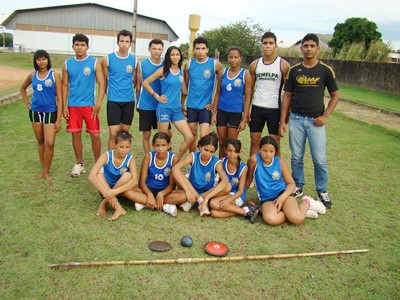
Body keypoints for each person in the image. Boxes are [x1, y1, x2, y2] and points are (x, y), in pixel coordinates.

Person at [279, 33, 340, 209]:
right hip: (296, 119)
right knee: (296, 157)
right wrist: (283, 121)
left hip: (316, 122)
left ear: (317, 48)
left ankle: (322, 190)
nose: (308, 49)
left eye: (312, 46)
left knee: (319, 159)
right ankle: (298, 185)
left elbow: (335, 95)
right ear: (301, 48)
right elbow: (287, 96)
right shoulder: (295, 70)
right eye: (305, 46)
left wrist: (326, 115)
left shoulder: (325, 70)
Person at [246, 136, 326, 226]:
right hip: (267, 199)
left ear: (275, 152)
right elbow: (248, 179)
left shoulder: (279, 162)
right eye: (265, 150)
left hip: (283, 194)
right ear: (259, 149)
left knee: (297, 219)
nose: (268, 154)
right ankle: (295, 212)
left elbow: (291, 183)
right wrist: (240, 197)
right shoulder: (254, 160)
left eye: (271, 151)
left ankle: (307, 202)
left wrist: (283, 197)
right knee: (270, 219)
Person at [62, 33, 105, 177]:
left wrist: (98, 103)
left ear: (87, 47)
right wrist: (63, 106)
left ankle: (98, 165)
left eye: (82, 45)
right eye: (77, 45)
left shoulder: (94, 63)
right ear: (73, 46)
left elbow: (102, 83)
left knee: (95, 135)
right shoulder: (67, 63)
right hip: (73, 106)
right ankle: (79, 164)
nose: (79, 48)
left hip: (89, 106)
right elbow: (65, 85)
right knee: (76, 135)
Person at [142, 46, 194, 159]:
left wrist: (182, 104)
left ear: (180, 57)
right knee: (162, 141)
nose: (175, 57)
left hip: (176, 110)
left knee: (189, 137)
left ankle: (175, 159)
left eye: (177, 54)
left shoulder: (180, 71)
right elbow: (145, 83)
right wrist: (157, 96)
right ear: (168, 56)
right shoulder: (164, 70)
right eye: (172, 55)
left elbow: (184, 91)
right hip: (164, 108)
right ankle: (159, 164)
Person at [20, 50, 62, 181]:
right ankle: (42, 170)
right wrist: (27, 103)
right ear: (35, 61)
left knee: (49, 143)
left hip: (50, 112)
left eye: (44, 59)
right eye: (38, 59)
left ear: (48, 60)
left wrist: (59, 119)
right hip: (35, 112)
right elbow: (22, 89)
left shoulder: (54, 75)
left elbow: (60, 99)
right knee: (40, 141)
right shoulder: (33, 75)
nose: (41, 62)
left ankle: (47, 172)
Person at [247, 32, 290, 156]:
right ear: (261, 45)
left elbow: (288, 93)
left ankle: (275, 173)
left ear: (276, 45)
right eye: (265, 43)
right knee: (254, 140)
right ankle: (253, 172)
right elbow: (250, 90)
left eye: (271, 43)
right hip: (257, 107)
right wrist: (247, 111)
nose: (267, 46)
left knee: (275, 142)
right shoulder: (254, 65)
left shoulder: (284, 65)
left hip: (275, 109)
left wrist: (286, 114)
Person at [169, 132, 231, 216]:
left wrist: (207, 197)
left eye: (211, 152)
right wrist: (188, 191)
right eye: (206, 150)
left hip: (207, 192)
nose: (208, 154)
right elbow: (175, 168)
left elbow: (225, 180)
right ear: (200, 147)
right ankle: (200, 201)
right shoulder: (193, 156)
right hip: (191, 188)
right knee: (177, 172)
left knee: (227, 186)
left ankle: (196, 200)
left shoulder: (216, 161)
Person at [122, 132, 180, 217]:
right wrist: (149, 194)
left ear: (168, 145)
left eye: (163, 145)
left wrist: (161, 194)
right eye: (157, 145)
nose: (160, 148)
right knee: (127, 192)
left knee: (184, 195)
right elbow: (141, 182)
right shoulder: (149, 156)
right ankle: (164, 205)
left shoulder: (173, 158)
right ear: (153, 145)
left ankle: (146, 203)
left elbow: (172, 185)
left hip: (165, 192)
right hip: (148, 189)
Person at [183, 37, 224, 152]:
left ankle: (204, 162)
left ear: (207, 50)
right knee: (191, 136)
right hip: (191, 106)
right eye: (197, 48)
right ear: (194, 50)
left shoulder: (215, 64)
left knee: (204, 136)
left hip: (205, 107)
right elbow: (185, 87)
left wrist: (214, 106)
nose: (200, 51)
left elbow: (221, 88)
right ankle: (193, 162)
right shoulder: (188, 65)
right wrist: (182, 104)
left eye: (203, 48)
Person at [88, 130, 138, 221]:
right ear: (115, 145)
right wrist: (107, 192)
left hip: (120, 191)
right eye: (121, 147)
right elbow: (91, 176)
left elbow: (135, 181)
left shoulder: (130, 158)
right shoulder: (107, 155)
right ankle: (119, 208)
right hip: (104, 190)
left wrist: (115, 192)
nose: (124, 150)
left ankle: (104, 202)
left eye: (127, 147)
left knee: (128, 175)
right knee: (98, 175)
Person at [212, 46, 252, 158]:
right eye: (231, 57)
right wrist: (213, 114)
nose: (233, 60)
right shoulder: (222, 72)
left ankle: (231, 169)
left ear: (240, 59)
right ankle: (220, 168)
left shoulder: (245, 75)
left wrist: (244, 119)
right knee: (222, 143)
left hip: (235, 113)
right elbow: (218, 93)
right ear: (228, 58)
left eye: (236, 57)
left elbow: (248, 98)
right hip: (222, 112)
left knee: (231, 144)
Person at [102, 30, 137, 150]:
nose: (124, 44)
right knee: (113, 133)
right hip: (113, 100)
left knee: (123, 133)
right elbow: (104, 81)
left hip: (128, 100)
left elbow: (136, 80)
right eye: (121, 41)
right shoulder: (108, 58)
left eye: (127, 41)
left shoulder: (134, 60)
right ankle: (110, 161)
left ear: (130, 43)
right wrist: (109, 93)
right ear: (117, 42)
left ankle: (121, 161)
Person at [209, 139, 258, 223]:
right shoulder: (221, 161)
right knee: (214, 213)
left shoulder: (243, 168)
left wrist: (228, 200)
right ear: (225, 150)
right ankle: (245, 211)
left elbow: (240, 191)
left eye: (235, 152)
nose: (232, 154)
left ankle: (244, 210)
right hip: (225, 192)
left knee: (213, 203)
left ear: (239, 152)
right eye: (230, 151)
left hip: (236, 195)